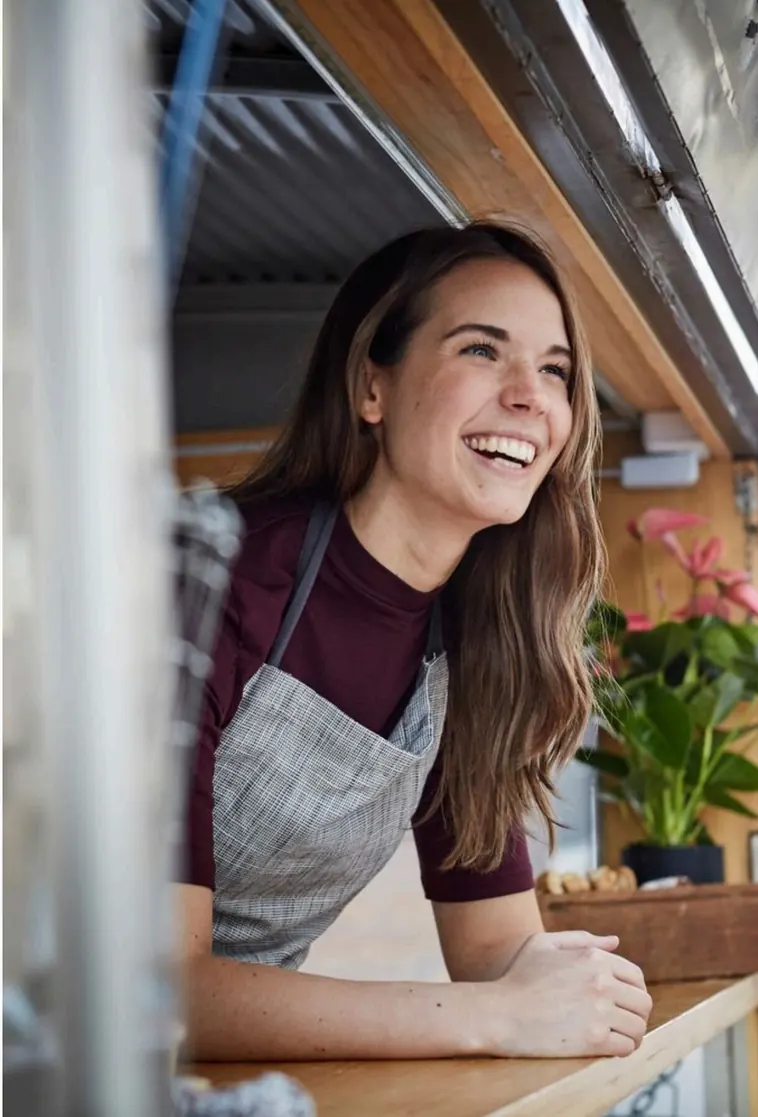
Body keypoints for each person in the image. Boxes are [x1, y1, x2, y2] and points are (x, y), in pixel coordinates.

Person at [177, 221, 653, 1062]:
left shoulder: (477, 648)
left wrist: (581, 984)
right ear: (372, 386)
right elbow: (153, 988)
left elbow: (497, 951)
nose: (529, 396)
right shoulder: (207, 577)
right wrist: (497, 1016)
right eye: (481, 350)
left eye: (555, 370)